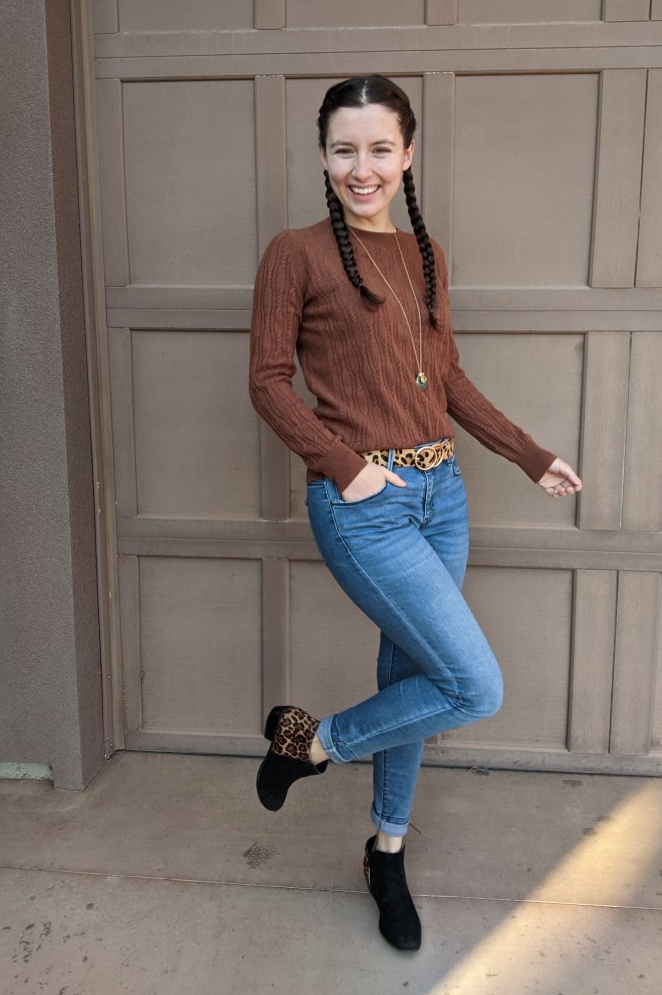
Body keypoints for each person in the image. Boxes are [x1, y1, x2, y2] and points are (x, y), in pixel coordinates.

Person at [248, 74, 582, 952]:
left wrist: (529, 454)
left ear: (407, 154)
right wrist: (342, 467)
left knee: (418, 684)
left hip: (444, 499)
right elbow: (266, 382)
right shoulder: (296, 252)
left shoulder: (428, 258)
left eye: (381, 149)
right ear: (323, 155)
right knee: (474, 685)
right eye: (346, 149)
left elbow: (450, 380)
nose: (364, 168)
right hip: (367, 506)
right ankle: (312, 741)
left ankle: (385, 850)